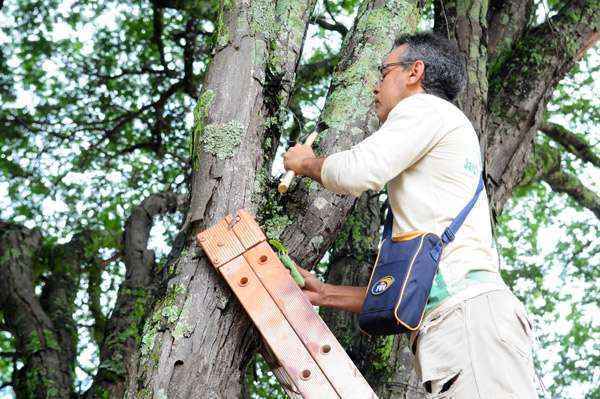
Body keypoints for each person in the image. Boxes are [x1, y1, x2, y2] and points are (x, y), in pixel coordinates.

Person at [283, 31, 539, 398]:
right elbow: (412, 288)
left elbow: (358, 170)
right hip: (467, 324)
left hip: (468, 323)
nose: (376, 85)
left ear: (414, 72)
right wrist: (324, 294)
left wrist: (304, 162)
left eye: (383, 71)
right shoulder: (437, 159)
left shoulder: (425, 109)